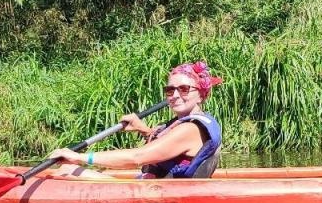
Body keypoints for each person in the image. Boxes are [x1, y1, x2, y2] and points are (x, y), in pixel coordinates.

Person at [50, 61, 224, 178]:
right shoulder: (189, 122)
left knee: (67, 171)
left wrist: (77, 157)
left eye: (184, 89)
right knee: (71, 170)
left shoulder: (190, 129)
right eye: (170, 90)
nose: (175, 95)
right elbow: (169, 148)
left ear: (201, 95)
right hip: (155, 189)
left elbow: (138, 157)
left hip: (160, 198)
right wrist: (143, 129)